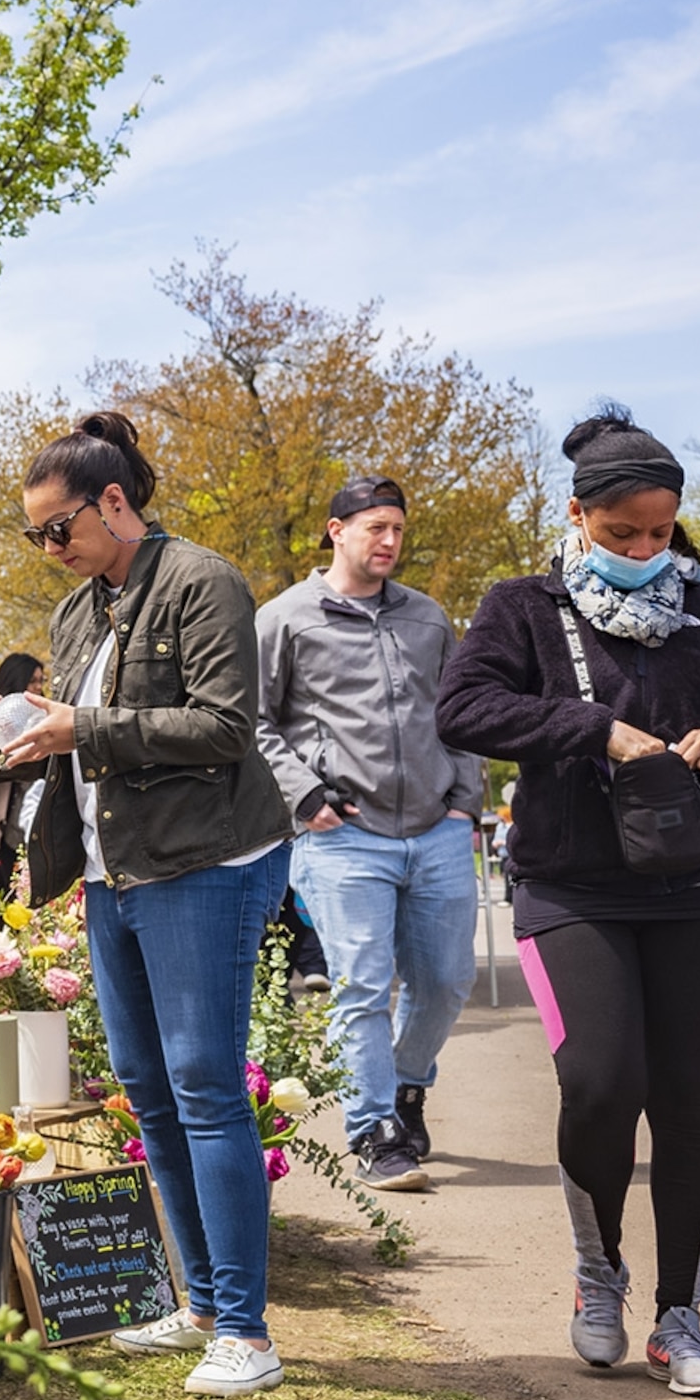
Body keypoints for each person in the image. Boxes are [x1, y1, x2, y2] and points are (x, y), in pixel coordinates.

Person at [0, 411, 292, 1398]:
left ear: (115, 502)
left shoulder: (202, 579)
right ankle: (200, 1301)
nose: (48, 548)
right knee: (147, 1088)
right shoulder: (79, 611)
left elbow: (222, 724)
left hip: (207, 858)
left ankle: (245, 1329)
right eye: (35, 534)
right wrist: (25, 732)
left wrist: (85, 724)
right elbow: (89, 733)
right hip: (118, 870)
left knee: (201, 1080)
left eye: (56, 527)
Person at [434, 410, 700, 1397]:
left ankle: (680, 1315)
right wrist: (591, 728)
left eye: (661, 531)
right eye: (622, 532)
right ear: (578, 514)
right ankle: (597, 1269)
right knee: (602, 1082)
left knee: (692, 1100)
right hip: (570, 884)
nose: (647, 549)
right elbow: (463, 708)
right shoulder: (523, 604)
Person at [253, 475, 484, 1195]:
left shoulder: (426, 618)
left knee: (446, 983)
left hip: (437, 831)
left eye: (398, 531)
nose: (389, 542)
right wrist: (305, 795)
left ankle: (408, 1087)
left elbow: (462, 714)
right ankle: (374, 1130)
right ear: (336, 530)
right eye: (376, 528)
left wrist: (466, 802)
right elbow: (251, 723)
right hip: (342, 837)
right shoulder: (286, 618)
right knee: (362, 984)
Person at [0, 652, 46, 886]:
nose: (38, 687)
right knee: (0, 896)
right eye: (32, 681)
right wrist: (15, 760)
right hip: (2, 826)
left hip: (35, 821)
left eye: (41, 681)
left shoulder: (43, 717)